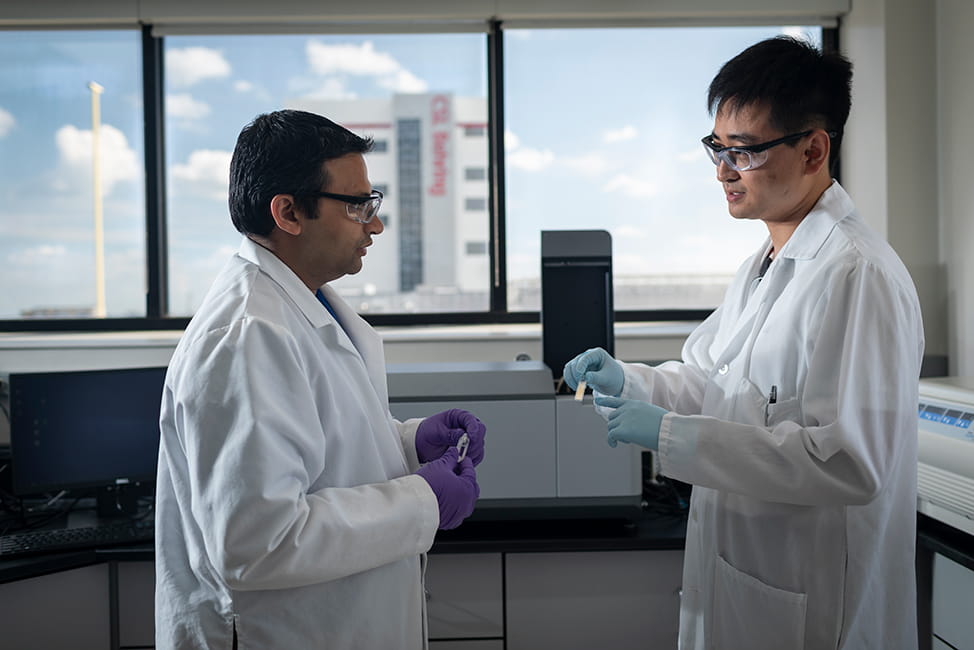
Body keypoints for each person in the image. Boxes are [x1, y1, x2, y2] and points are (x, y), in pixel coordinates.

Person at [564, 37, 923, 650]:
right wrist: (633, 380)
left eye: (746, 151)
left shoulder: (856, 275)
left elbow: (848, 463)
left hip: (813, 605)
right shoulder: (766, 262)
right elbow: (716, 382)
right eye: (717, 148)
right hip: (749, 584)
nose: (724, 171)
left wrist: (669, 435)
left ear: (814, 149)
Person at [155, 109, 486, 650]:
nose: (374, 225)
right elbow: (259, 542)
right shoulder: (246, 336)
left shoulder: (306, 304)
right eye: (357, 206)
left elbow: (320, 448)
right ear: (287, 212)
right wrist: (422, 500)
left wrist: (409, 442)